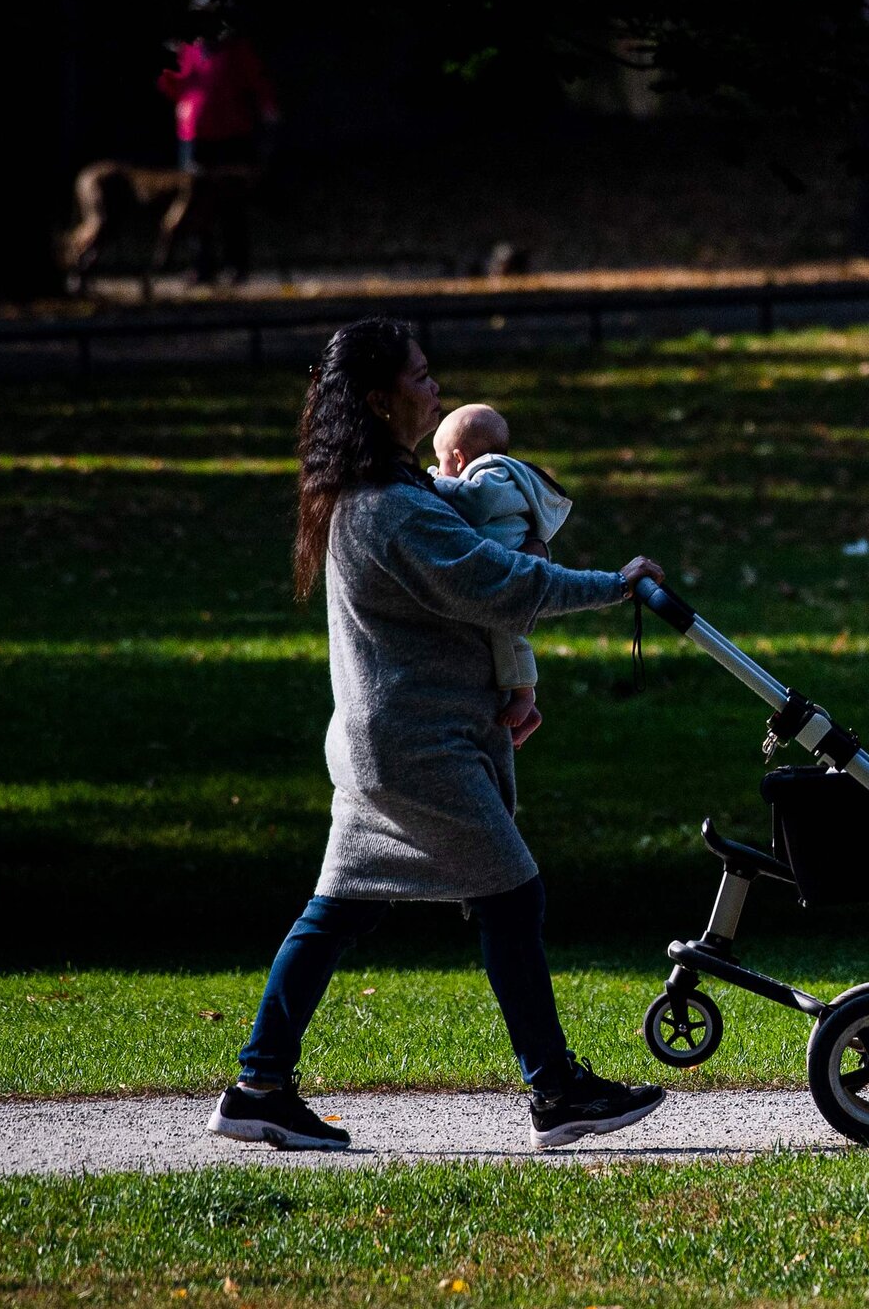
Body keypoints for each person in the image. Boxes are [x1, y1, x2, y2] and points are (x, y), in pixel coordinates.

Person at [207, 318, 668, 1153]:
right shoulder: (388, 508)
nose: (436, 389)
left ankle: (259, 1084)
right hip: (419, 746)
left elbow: (469, 573)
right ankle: (556, 1091)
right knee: (512, 895)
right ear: (381, 399)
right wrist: (615, 585)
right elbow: (497, 583)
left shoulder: (387, 489)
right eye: (421, 377)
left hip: (391, 739)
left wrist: (506, 680)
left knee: (339, 912)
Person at [429, 402, 568, 748]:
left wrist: (429, 483)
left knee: (506, 635)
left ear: (459, 460)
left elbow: (472, 504)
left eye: (443, 464)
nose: (440, 472)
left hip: (509, 573)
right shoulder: (496, 475)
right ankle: (523, 699)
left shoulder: (494, 475)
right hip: (502, 569)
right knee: (503, 636)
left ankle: (525, 697)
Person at [156, 17, 279, 280]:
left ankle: (235, 264)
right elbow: (174, 86)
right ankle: (202, 265)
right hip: (195, 136)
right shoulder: (188, 49)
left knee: (231, 202)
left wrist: (269, 116)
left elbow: (257, 83)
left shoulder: (236, 49)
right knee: (194, 202)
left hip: (231, 136)